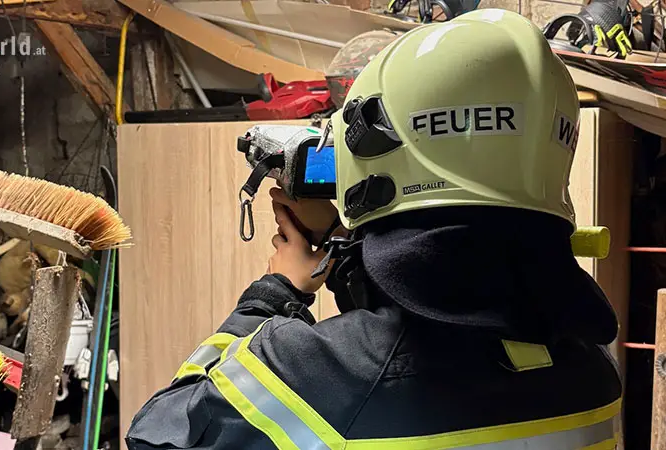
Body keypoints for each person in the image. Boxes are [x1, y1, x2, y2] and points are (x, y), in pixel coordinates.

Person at [126, 9, 622, 450]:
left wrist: (276, 291)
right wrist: (347, 248)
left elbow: (158, 433)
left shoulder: (324, 373)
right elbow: (448, 298)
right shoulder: (592, 364)